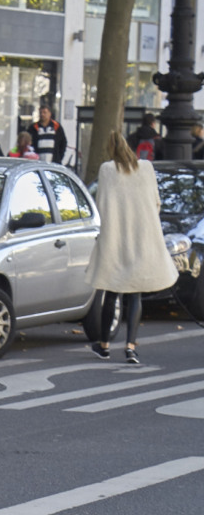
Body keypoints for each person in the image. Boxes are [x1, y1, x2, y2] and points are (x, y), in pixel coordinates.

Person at [85, 130, 178, 364]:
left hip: (116, 239)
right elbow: (156, 202)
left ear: (110, 149)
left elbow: (102, 204)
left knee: (112, 290)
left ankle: (104, 345)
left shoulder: (107, 170)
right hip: (141, 237)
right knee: (135, 292)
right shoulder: (146, 168)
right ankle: (130, 347)